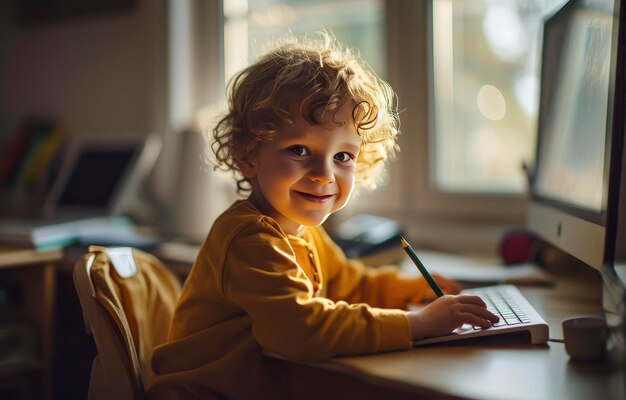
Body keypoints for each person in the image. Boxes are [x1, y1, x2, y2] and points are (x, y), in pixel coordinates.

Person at [148, 32, 499, 400]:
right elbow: (301, 330)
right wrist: (416, 324)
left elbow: (351, 284)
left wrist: (416, 290)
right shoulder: (248, 239)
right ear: (247, 153)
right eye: (300, 149)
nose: (324, 175)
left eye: (343, 156)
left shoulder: (301, 231)